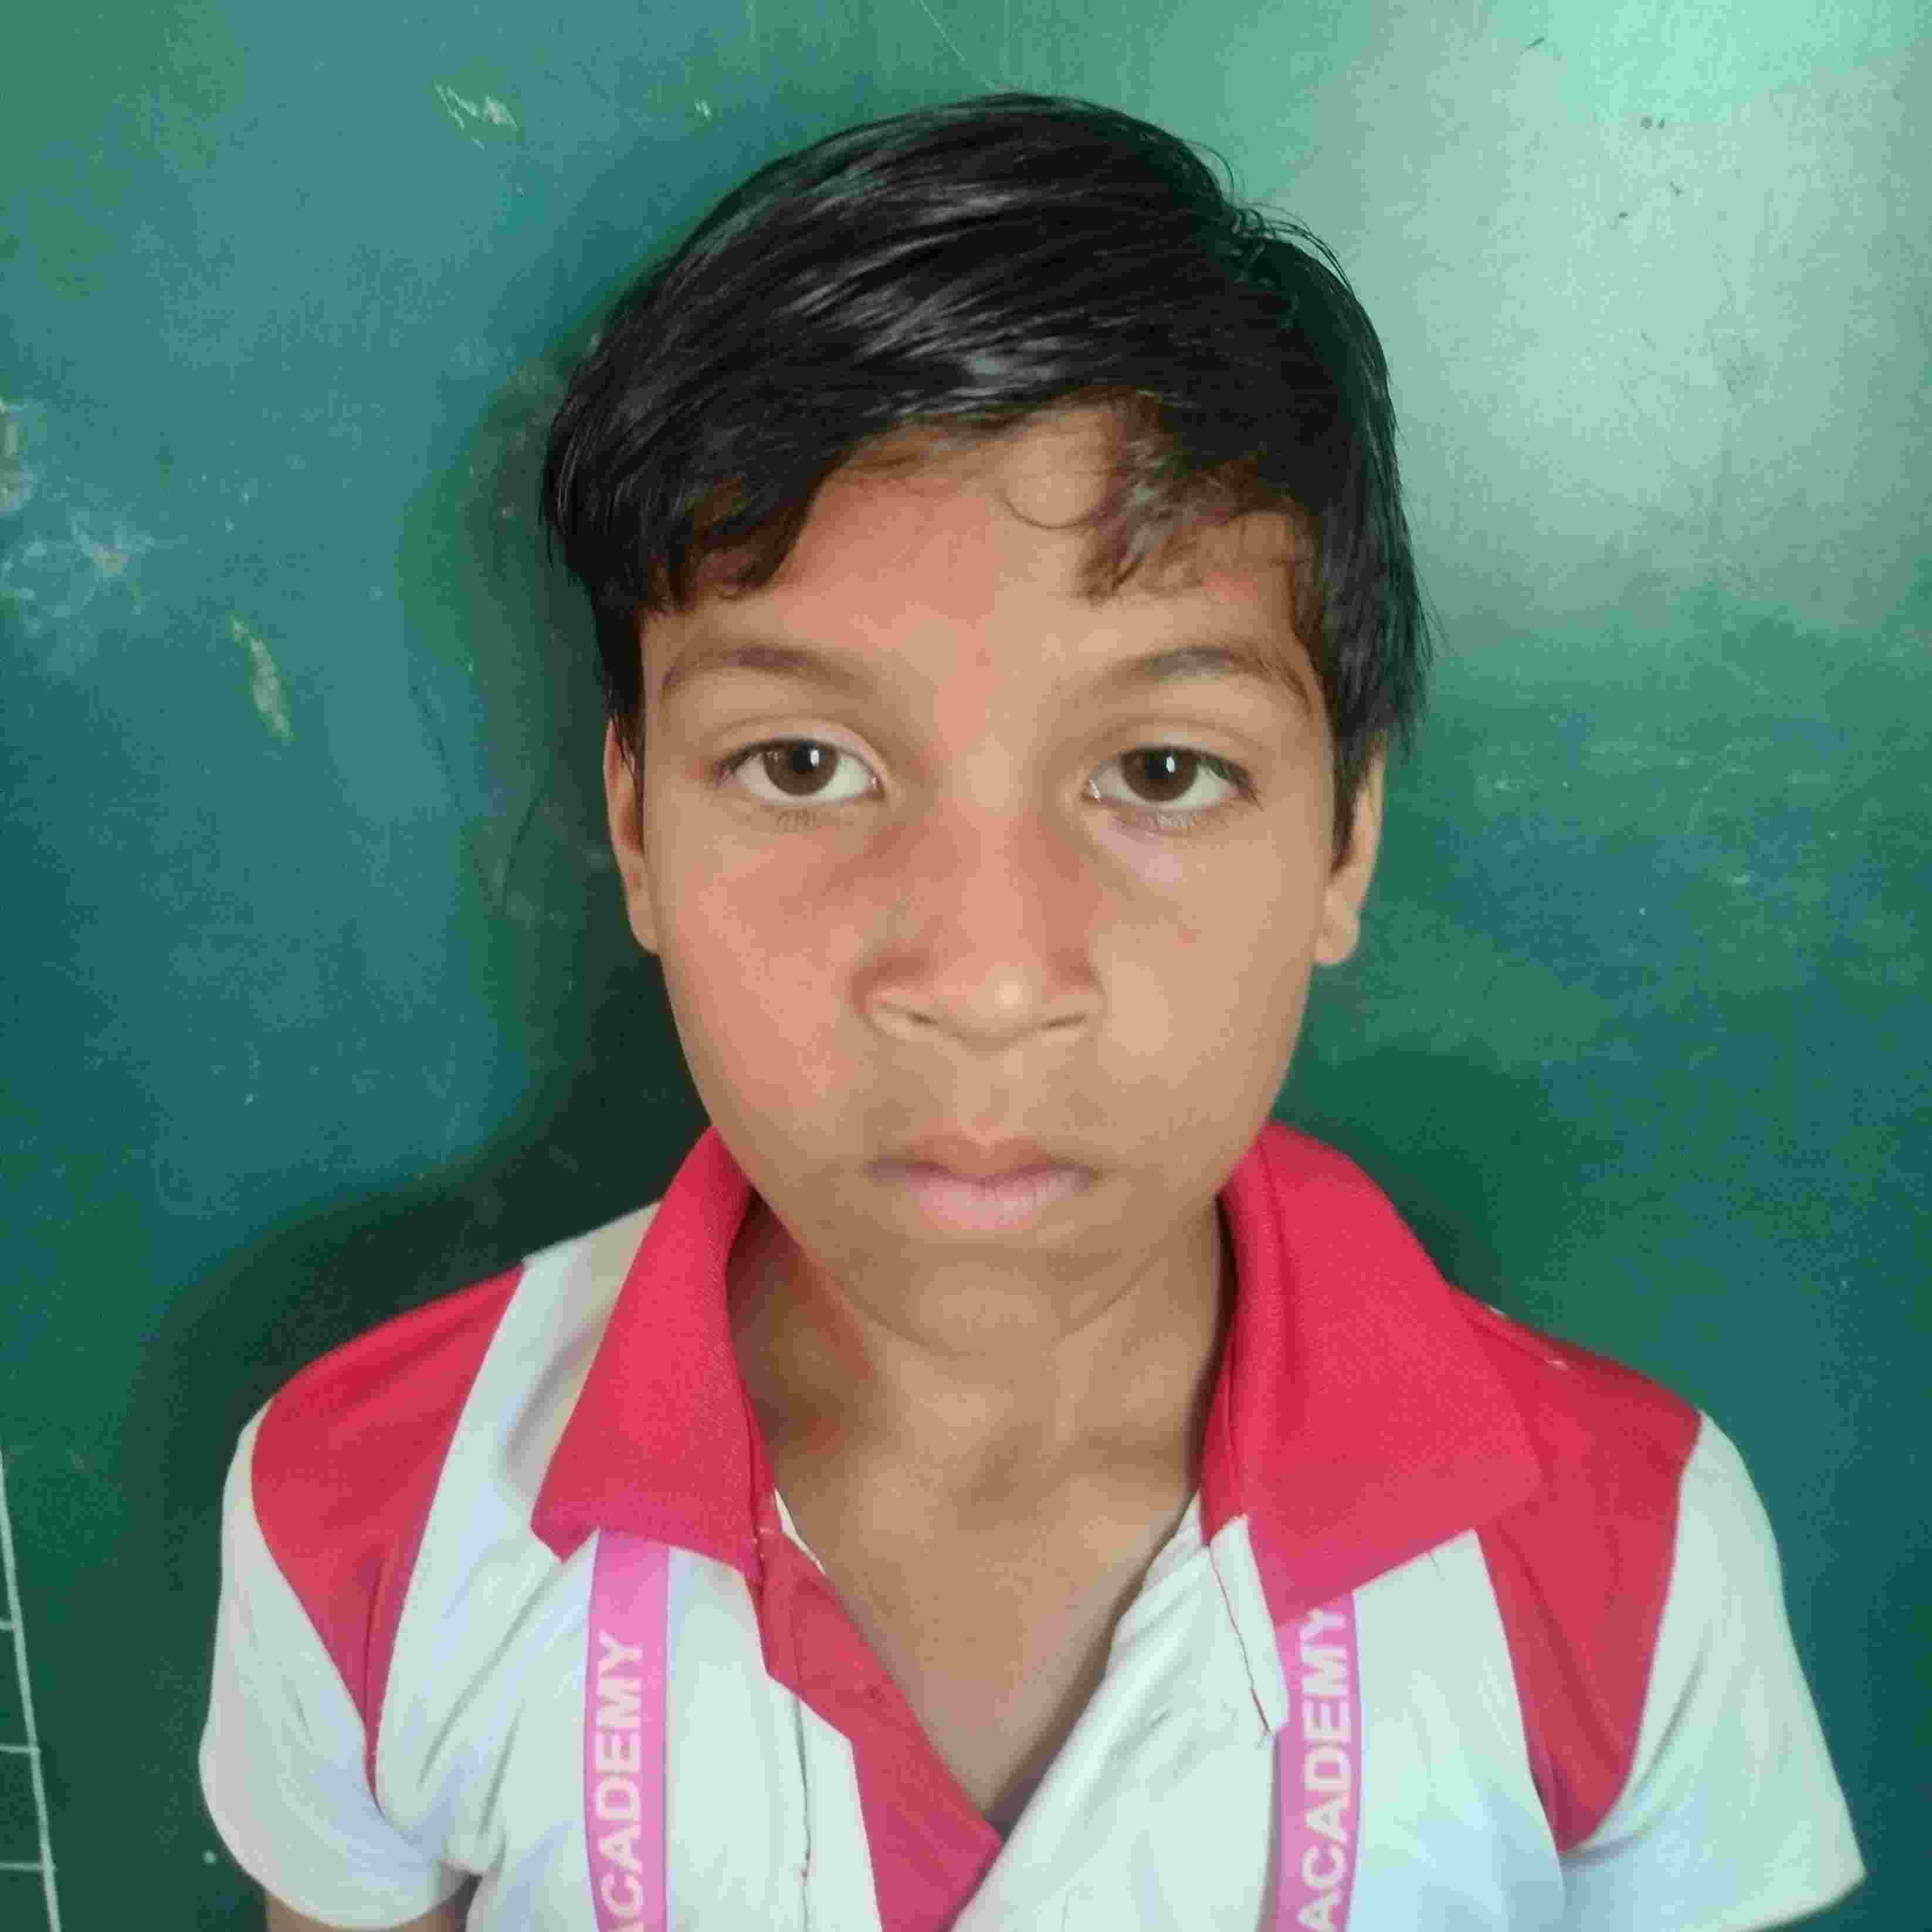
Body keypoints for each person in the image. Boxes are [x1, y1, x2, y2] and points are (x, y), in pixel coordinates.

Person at [199, 93, 1866, 1930]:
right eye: (803, 762)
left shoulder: (1629, 1545)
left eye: (1161, 767)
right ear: (640, 830)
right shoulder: (372, 1505)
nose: (986, 982)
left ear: (1345, 843)